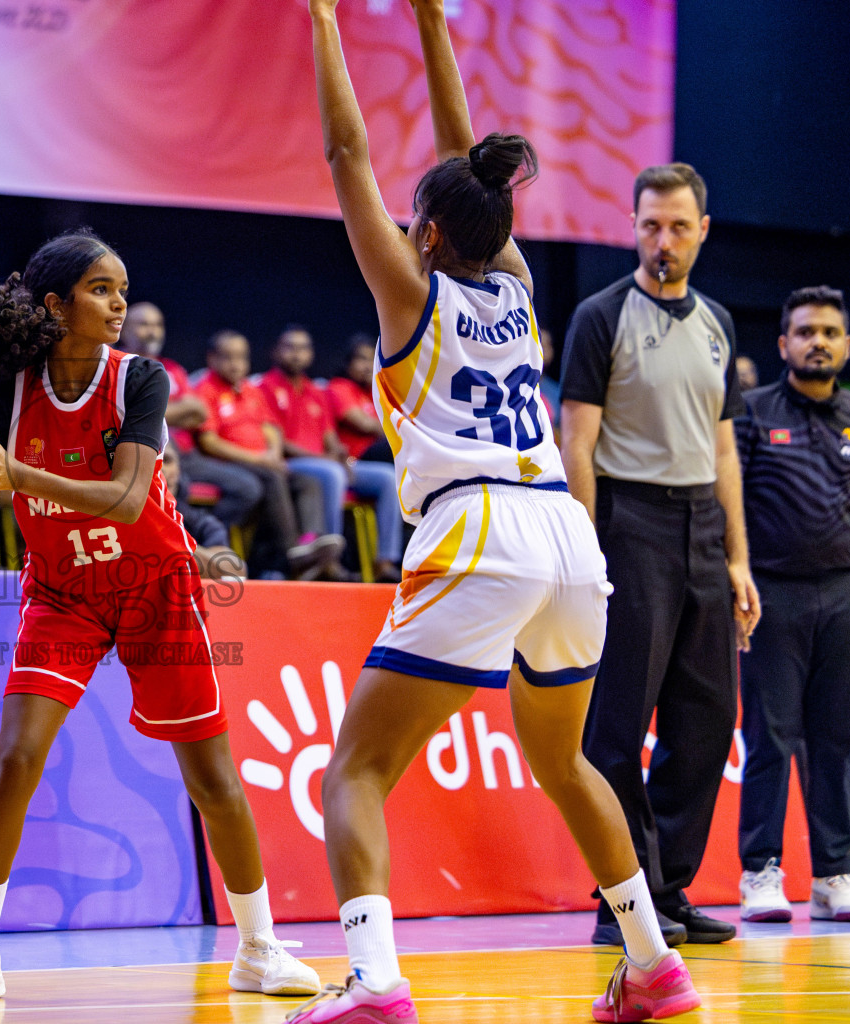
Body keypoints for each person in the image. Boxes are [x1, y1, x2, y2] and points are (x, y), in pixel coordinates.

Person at [291, 4, 697, 1023]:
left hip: (476, 527)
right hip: (566, 534)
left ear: (423, 231)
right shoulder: (515, 283)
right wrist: (435, 21)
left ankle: (376, 981)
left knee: (356, 770)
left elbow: (348, 149)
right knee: (564, 760)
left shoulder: (406, 291)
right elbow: (466, 164)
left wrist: (325, 18)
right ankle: (653, 965)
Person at [0, 230, 319, 1005]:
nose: (119, 303)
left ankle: (257, 948)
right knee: (16, 757)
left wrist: (15, 471)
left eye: (121, 288)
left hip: (155, 584)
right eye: (100, 289)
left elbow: (128, 498)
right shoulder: (10, 396)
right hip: (62, 591)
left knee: (212, 779)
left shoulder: (139, 381)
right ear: (55, 305)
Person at [560, 160, 759, 946]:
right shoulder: (601, 315)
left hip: (702, 526)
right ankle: (624, 903)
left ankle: (668, 889)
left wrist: (738, 558)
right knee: (618, 723)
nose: (663, 240)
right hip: (628, 521)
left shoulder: (717, 323)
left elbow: (725, 450)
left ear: (703, 231)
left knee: (708, 719)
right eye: (650, 225)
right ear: (632, 227)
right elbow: (578, 439)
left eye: (678, 226)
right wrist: (582, 550)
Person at [734, 286, 850, 923]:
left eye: (830, 332)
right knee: (770, 737)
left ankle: (837, 873)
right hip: (770, 596)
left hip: (844, 595)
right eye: (806, 332)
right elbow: (731, 507)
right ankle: (760, 873)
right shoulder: (752, 412)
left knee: (838, 739)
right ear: (784, 344)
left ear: (846, 345)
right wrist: (738, 580)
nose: (818, 342)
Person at [194, 330, 345, 580]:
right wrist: (261, 460)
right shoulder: (205, 390)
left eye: (241, 357)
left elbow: (270, 428)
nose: (236, 364)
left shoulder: (251, 390)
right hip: (230, 463)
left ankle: (310, 540)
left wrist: (273, 454)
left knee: (307, 481)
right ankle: (291, 554)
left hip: (264, 462)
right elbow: (209, 443)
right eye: (228, 357)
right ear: (212, 359)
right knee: (272, 478)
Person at [259, 326, 402, 580]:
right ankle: (330, 560)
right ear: (276, 351)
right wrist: (327, 461)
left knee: (386, 478)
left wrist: (338, 454)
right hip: (292, 463)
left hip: (326, 463)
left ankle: (385, 562)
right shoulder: (266, 387)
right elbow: (278, 441)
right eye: (290, 347)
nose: (296, 354)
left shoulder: (316, 391)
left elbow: (329, 436)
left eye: (303, 348)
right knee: (333, 473)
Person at [119, 302, 263, 529]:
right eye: (144, 324)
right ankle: (194, 541)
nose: (152, 331)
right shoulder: (118, 366)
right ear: (125, 328)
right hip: (148, 456)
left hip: (188, 456)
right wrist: (175, 412)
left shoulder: (173, 369)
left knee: (249, 487)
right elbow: (128, 416)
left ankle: (206, 540)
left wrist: (154, 411)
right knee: (182, 486)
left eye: (157, 325)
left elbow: (199, 412)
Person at [163, 442, 246, 581]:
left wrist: (165, 538)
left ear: (179, 471)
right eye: (152, 462)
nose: (161, 470)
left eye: (167, 460)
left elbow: (235, 568)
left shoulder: (202, 522)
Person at [326, 334, 388, 462]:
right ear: (348, 362)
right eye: (362, 359)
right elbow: (364, 424)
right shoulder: (339, 387)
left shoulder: (373, 391)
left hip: (376, 453)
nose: (368, 366)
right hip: (356, 456)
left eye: (373, 359)